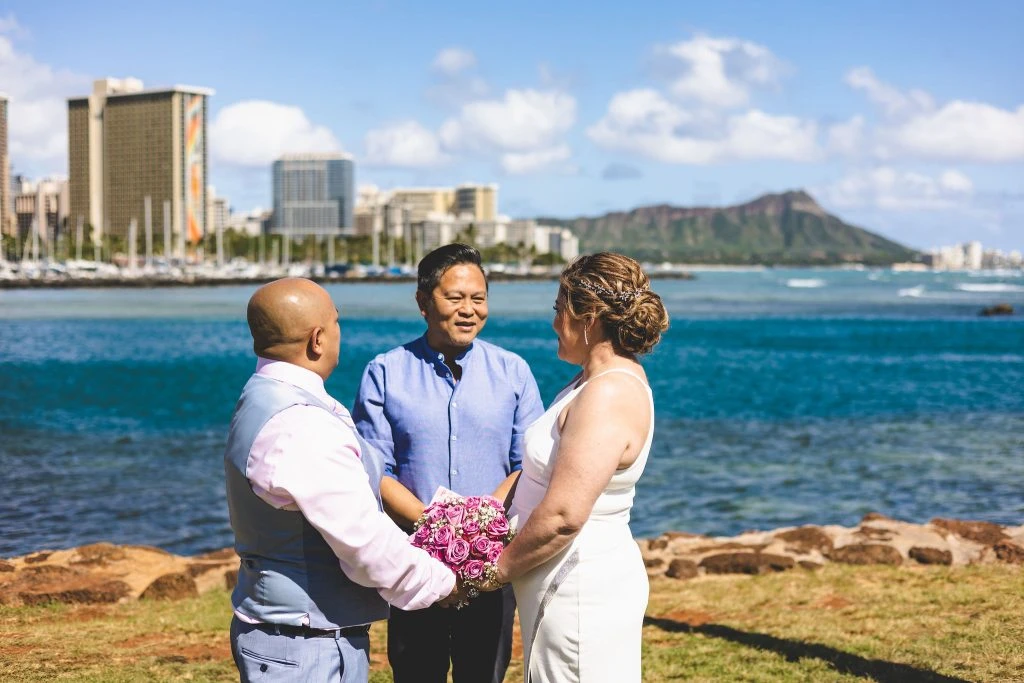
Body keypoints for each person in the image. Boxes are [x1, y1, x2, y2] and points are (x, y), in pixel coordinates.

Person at [224, 278, 457, 683]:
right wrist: (444, 582)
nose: (338, 333)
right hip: (304, 644)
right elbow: (364, 542)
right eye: (336, 323)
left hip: (289, 637)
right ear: (317, 339)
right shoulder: (302, 424)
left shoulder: (262, 394)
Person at [352, 243, 545, 683]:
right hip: (414, 560)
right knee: (416, 672)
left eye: (478, 299)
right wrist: (436, 527)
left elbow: (528, 464)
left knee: (485, 674)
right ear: (423, 302)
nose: (468, 310)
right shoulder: (385, 371)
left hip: (491, 564)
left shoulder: (513, 372)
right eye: (454, 298)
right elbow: (373, 469)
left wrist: (479, 524)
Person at [488, 252, 670, 682]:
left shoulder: (607, 394)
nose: (553, 323)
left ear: (587, 317)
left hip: (579, 586)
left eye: (559, 309)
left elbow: (565, 517)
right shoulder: (590, 382)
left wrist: (491, 573)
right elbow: (545, 471)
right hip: (561, 581)